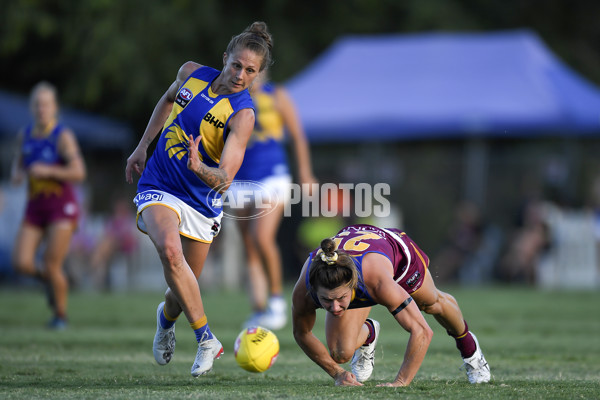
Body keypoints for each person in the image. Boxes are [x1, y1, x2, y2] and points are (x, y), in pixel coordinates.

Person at [124, 21, 273, 377]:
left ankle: (166, 319)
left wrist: (199, 167)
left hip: (201, 201)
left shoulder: (244, 114)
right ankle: (207, 339)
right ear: (225, 58)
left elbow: (225, 178)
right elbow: (167, 98)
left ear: (258, 74)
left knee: (180, 286)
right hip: (159, 184)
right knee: (171, 253)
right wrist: (144, 146)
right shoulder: (191, 73)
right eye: (236, 64)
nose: (240, 75)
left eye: (250, 70)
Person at [292, 224, 491, 386]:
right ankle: (368, 333)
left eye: (340, 298)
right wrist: (337, 373)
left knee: (431, 304)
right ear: (315, 291)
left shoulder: (378, 282)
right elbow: (302, 333)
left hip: (397, 256)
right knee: (340, 353)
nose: (334, 308)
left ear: (353, 285)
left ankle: (470, 349)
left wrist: (400, 382)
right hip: (362, 266)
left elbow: (422, 331)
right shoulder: (304, 291)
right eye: (326, 300)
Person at [230, 72, 316, 330]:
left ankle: (277, 301)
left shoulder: (277, 95)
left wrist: (305, 173)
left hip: (273, 174)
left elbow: (298, 136)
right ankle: (258, 307)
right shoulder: (229, 96)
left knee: (262, 237)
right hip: (239, 177)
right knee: (249, 244)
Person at [10, 81, 87, 329]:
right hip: (35, 206)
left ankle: (60, 316)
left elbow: (78, 172)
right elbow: (19, 162)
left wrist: (48, 170)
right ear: (32, 108)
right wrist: (17, 173)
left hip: (61, 207)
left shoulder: (62, 135)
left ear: (54, 108)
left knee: (52, 263)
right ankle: (53, 282)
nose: (41, 109)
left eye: (46, 104)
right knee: (21, 263)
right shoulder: (26, 134)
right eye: (37, 104)